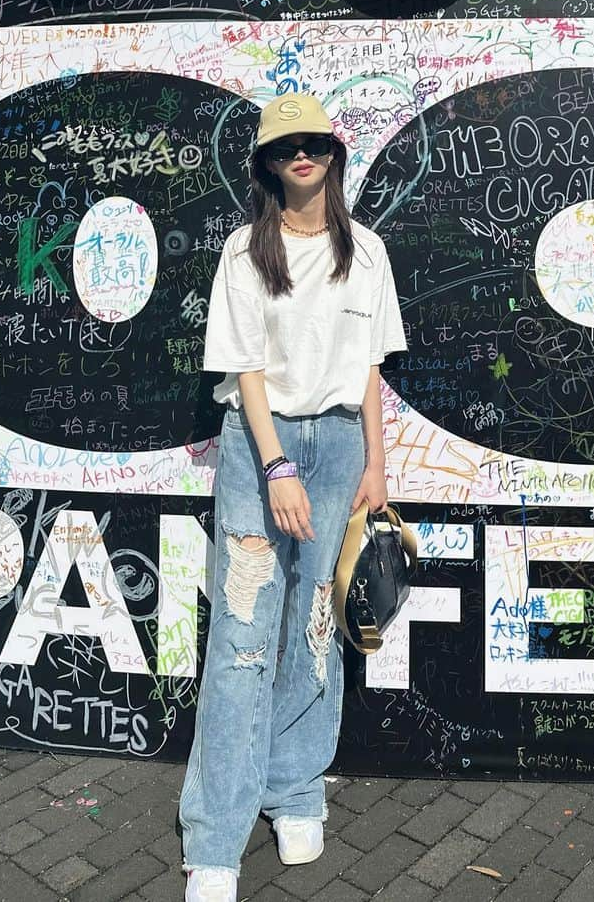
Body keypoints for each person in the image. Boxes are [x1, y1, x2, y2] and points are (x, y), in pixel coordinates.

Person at [180, 92, 407, 902]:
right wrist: (276, 469)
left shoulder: (369, 253)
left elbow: (373, 370)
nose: (301, 155)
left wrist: (377, 468)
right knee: (242, 638)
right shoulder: (246, 250)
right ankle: (214, 835)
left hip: (341, 444)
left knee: (314, 624)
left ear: (334, 155)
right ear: (268, 163)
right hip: (259, 446)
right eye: (286, 146)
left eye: (314, 142)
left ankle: (296, 786)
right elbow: (244, 369)